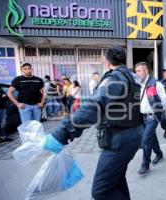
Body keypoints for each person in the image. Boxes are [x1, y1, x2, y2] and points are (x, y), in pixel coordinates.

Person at [43, 46, 143, 200]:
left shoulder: (115, 78)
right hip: (131, 133)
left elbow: (93, 106)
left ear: (107, 61)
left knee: (101, 192)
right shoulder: (131, 76)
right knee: (116, 181)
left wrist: (63, 132)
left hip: (119, 139)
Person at [135, 62, 166, 176]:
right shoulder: (138, 85)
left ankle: (145, 164)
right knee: (151, 137)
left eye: (139, 71)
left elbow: (165, 100)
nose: (137, 73)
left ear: (146, 71)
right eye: (136, 71)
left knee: (146, 139)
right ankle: (159, 154)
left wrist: (157, 112)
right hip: (142, 116)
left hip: (152, 116)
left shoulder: (156, 84)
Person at [0, 77, 14, 148]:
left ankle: (3, 137)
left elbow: (6, 96)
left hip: (2, 109)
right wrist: (0, 97)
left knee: (2, 124)